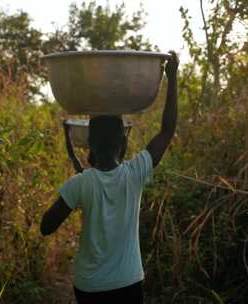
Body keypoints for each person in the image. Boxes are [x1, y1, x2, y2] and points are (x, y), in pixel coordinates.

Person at [40, 51, 179, 304]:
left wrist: (66, 202)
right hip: (128, 283)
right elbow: (167, 130)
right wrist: (172, 77)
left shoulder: (80, 184)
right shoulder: (135, 173)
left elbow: (46, 227)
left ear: (90, 143)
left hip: (89, 286)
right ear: (122, 142)